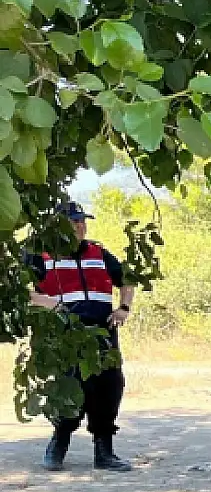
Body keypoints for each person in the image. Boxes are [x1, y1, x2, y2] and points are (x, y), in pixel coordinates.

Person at [30, 202, 136, 472]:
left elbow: (127, 278)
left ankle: (105, 452)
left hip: (102, 332)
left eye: (82, 221)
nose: (81, 225)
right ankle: (59, 443)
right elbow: (15, 289)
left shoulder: (98, 252)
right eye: (74, 221)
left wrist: (124, 307)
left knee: (109, 387)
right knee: (71, 387)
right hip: (65, 336)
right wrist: (45, 301)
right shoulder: (39, 255)